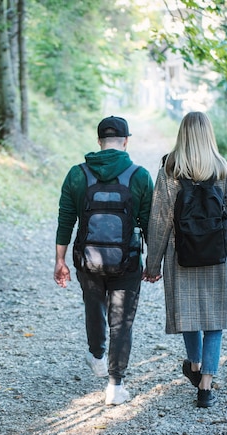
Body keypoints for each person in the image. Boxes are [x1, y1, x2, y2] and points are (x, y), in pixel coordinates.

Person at [142, 111, 227, 408]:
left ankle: (196, 366)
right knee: (215, 321)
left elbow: (159, 221)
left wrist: (153, 264)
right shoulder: (223, 169)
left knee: (189, 314)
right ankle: (206, 388)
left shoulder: (169, 170)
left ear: (182, 135)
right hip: (218, 256)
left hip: (180, 254)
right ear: (208, 135)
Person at [54, 116, 154, 406]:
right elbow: (148, 225)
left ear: (99, 141)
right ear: (126, 141)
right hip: (128, 261)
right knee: (122, 321)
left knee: (93, 304)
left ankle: (97, 355)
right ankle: (115, 386)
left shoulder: (77, 174)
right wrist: (153, 263)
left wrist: (59, 260)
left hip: (88, 260)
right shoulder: (140, 176)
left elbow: (65, 221)